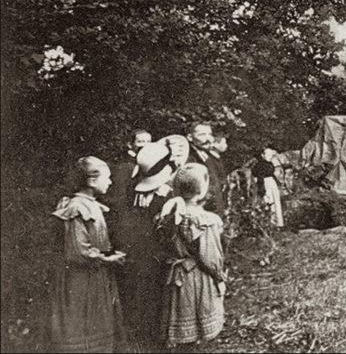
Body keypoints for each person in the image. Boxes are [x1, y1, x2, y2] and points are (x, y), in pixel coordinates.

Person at [114, 136, 187, 349]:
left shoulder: (133, 189)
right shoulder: (167, 196)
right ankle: (153, 338)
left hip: (138, 251)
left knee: (142, 295)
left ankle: (143, 335)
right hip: (155, 253)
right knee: (155, 297)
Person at [50, 157, 126, 353]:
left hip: (94, 275)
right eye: (107, 178)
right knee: (83, 324)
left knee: (98, 322)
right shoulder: (76, 208)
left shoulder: (91, 204)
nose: (110, 182)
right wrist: (107, 259)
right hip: (81, 279)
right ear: (92, 181)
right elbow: (77, 252)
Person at [157, 163, 227, 346]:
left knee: (182, 316)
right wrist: (219, 275)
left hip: (178, 275)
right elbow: (210, 257)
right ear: (202, 189)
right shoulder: (206, 220)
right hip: (199, 275)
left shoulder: (168, 215)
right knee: (198, 316)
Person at [105, 129, 151, 214]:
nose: (146, 145)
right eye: (141, 142)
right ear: (130, 144)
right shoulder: (124, 163)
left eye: (148, 142)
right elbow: (119, 192)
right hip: (124, 210)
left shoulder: (146, 162)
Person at [186, 123, 226, 215]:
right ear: (190, 137)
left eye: (209, 134)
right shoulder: (188, 157)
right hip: (198, 212)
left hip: (214, 211)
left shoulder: (209, 156)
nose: (208, 139)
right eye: (202, 135)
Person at [251, 147, 285, 228]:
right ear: (262, 155)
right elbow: (260, 177)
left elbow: (272, 174)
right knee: (267, 202)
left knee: (274, 202)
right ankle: (264, 224)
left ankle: (275, 223)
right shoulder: (260, 165)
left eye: (271, 155)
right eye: (267, 154)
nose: (270, 156)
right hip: (265, 184)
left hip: (271, 184)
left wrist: (278, 182)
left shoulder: (269, 163)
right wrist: (261, 189)